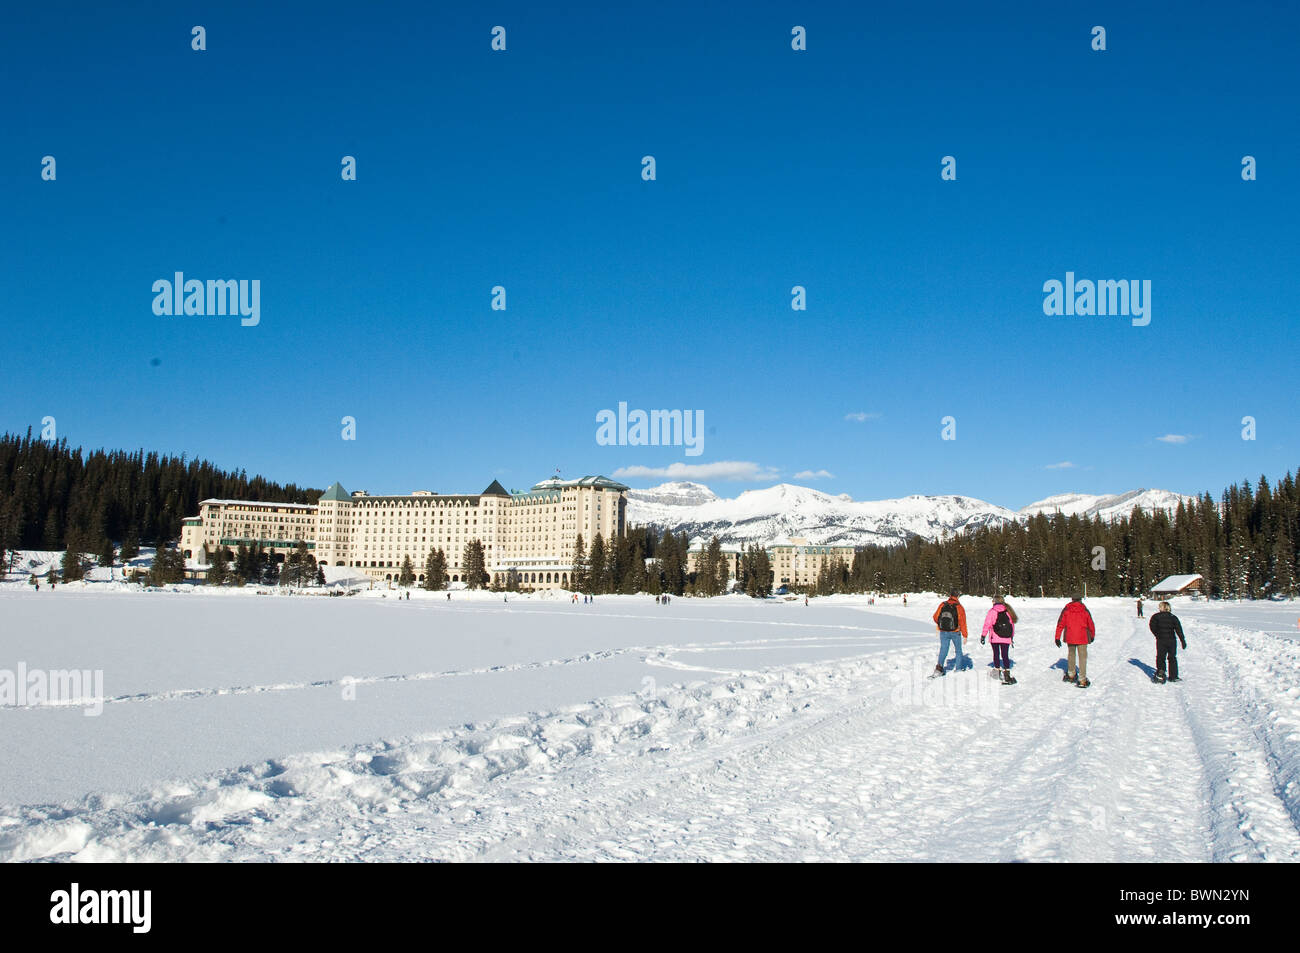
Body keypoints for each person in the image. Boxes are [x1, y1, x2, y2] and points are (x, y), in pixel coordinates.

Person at [1054, 594, 1095, 687]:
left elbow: (1060, 624)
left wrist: (1057, 637)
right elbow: (1091, 624)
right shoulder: (1084, 610)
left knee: (1071, 654)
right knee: (1082, 657)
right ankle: (1082, 680)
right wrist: (1092, 635)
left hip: (1070, 636)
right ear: (1080, 599)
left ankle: (1071, 674)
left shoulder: (1067, 609)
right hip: (1082, 637)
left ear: (1072, 599)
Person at [980, 596, 1018, 684]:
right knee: (1005, 654)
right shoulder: (1008, 611)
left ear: (995, 602)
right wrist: (1011, 637)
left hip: (995, 637)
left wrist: (983, 635)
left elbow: (987, 624)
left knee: (996, 653)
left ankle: (997, 671)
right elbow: (1012, 625)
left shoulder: (992, 611)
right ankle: (1007, 672)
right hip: (1006, 637)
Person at [931, 589, 968, 677]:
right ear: (958, 596)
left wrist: (941, 624)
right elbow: (962, 622)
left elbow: (935, 617)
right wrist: (965, 635)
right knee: (958, 650)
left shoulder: (943, 604)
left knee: (943, 649)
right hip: (955, 632)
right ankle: (958, 669)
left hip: (943, 631)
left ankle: (939, 669)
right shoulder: (959, 607)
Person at [1148, 601, 1187, 683]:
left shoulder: (1156, 617)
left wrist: (1157, 634)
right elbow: (1179, 630)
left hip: (1161, 640)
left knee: (1161, 657)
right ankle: (1173, 676)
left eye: (1159, 607)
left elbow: (1152, 626)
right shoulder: (1173, 617)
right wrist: (1182, 640)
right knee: (1172, 658)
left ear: (1162, 608)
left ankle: (1161, 673)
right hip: (1171, 640)